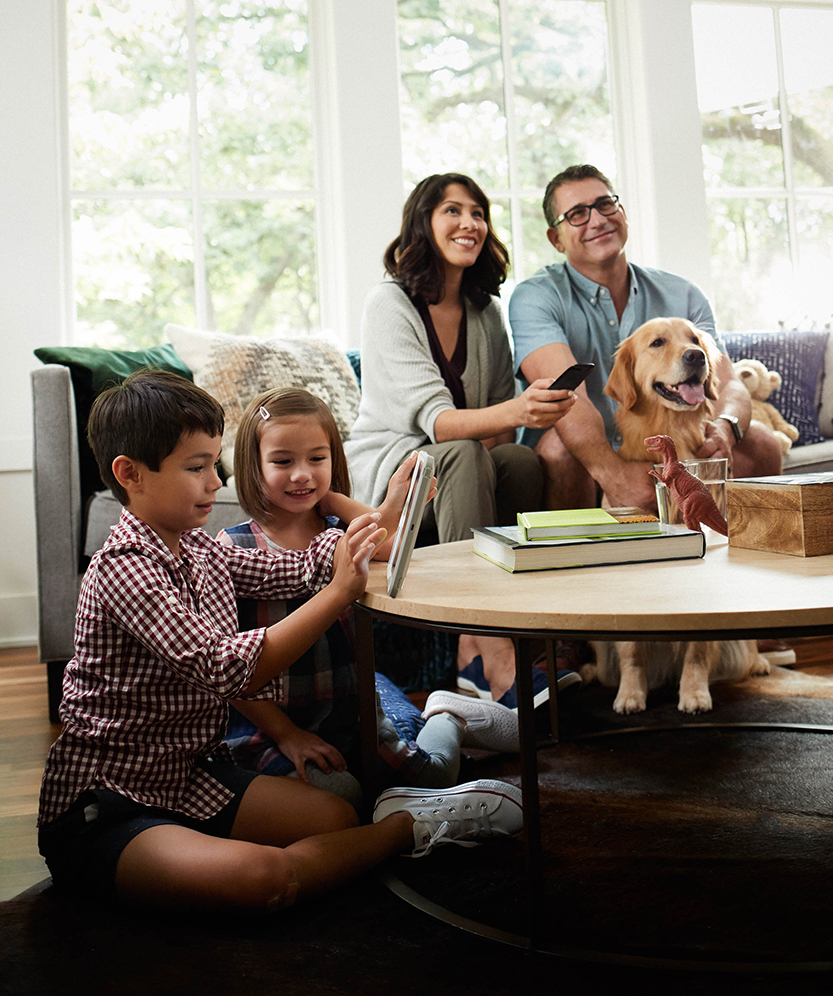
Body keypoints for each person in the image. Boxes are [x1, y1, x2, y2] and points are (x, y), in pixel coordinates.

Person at [36, 370, 523, 912]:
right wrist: (339, 592)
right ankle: (417, 825)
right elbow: (227, 668)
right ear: (131, 474)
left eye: (213, 464)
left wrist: (366, 532)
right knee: (266, 880)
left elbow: (290, 569)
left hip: (192, 774)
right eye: (196, 468)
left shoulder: (198, 550)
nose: (215, 482)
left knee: (335, 816)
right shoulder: (124, 570)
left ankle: (405, 809)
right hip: (110, 802)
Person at [218, 386, 520, 814]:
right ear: (253, 466)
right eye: (283, 461)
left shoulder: (336, 527)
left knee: (433, 776)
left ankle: (446, 714)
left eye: (316, 459)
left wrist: (341, 500)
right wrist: (288, 735)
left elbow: (383, 544)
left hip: (352, 712)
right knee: (342, 798)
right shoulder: (234, 548)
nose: (302, 474)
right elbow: (225, 668)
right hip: (273, 724)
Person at [346, 172, 583, 705]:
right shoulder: (388, 303)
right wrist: (520, 406)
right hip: (393, 476)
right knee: (459, 453)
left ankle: (512, 630)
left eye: (477, 212)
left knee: (521, 460)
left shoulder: (485, 311)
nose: (469, 223)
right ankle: (481, 649)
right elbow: (437, 422)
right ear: (423, 223)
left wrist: (528, 415)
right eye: (452, 211)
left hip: (458, 467)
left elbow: (498, 427)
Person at [508, 163, 783, 514]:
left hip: (671, 442)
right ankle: (578, 563)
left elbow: (730, 385)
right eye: (577, 214)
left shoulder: (681, 294)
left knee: (761, 440)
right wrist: (614, 474)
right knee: (558, 448)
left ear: (621, 212)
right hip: (587, 455)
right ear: (555, 239)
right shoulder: (535, 297)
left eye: (606, 205)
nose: (597, 220)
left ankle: (745, 556)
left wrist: (726, 428)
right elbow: (565, 398)